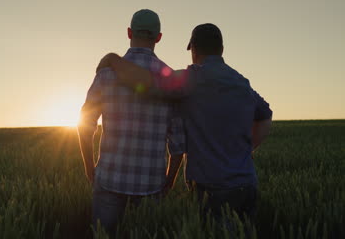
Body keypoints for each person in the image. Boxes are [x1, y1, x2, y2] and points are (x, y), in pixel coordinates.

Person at [97, 23, 273, 227]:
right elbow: (265, 117)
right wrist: (248, 148)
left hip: (212, 188)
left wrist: (112, 59)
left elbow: (144, 81)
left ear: (194, 50)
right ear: (222, 50)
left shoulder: (192, 79)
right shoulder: (242, 83)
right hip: (247, 184)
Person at [77, 9, 186, 236]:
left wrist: (90, 168)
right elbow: (177, 141)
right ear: (158, 37)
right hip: (151, 184)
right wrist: (170, 179)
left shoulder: (106, 74)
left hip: (109, 178)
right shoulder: (168, 80)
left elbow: (85, 126)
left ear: (129, 33)